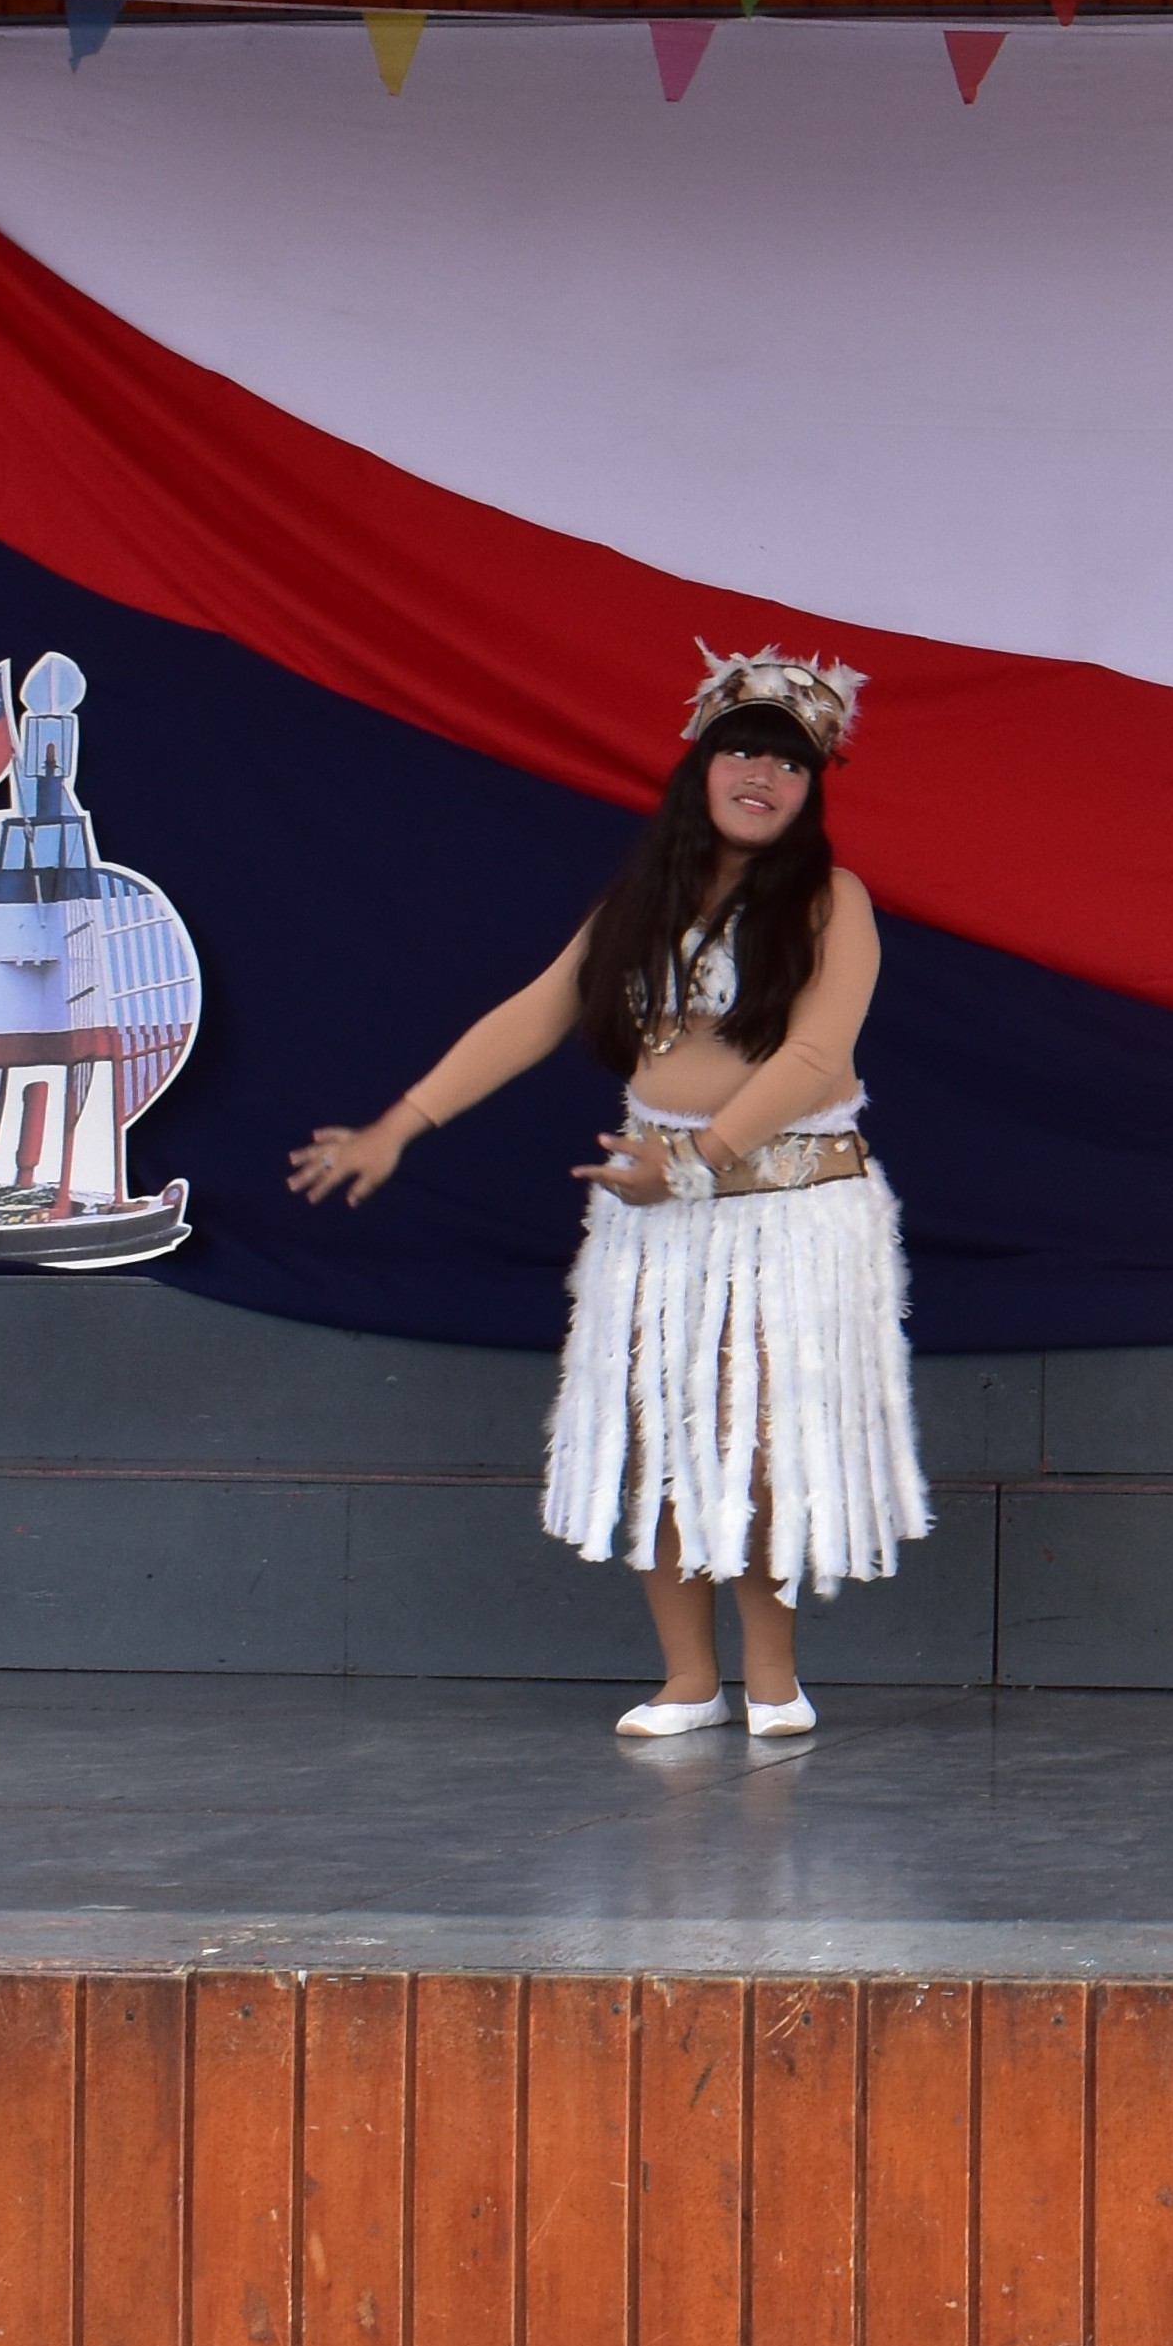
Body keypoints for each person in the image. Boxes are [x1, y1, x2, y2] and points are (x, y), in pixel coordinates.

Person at [285, 650, 928, 1737]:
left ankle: (773, 1677)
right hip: (653, 1207)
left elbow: (816, 1055)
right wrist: (401, 1122)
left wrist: (699, 1156)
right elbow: (535, 1012)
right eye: (742, 750)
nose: (762, 775)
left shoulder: (833, 899)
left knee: (757, 1438)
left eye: (788, 763)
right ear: (701, 766)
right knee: (663, 1429)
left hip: (787, 1210)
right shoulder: (643, 898)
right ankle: (689, 1680)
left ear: (812, 788)